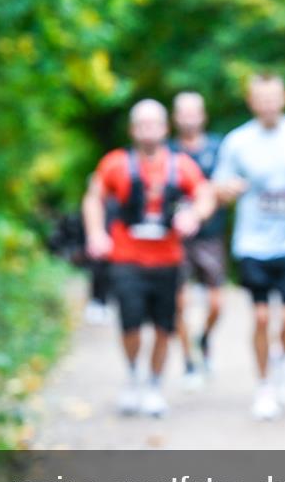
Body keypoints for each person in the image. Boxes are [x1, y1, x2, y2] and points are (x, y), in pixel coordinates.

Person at [83, 99, 215, 417]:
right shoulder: (115, 163)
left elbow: (205, 194)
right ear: (132, 130)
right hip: (126, 258)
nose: (148, 130)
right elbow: (93, 198)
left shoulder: (180, 165)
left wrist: (194, 216)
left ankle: (154, 385)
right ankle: (132, 377)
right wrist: (96, 234)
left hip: (168, 260)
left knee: (163, 328)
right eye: (141, 124)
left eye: (154, 124)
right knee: (130, 325)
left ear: (164, 127)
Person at [214, 73, 285, 421]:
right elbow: (218, 187)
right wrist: (227, 189)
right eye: (260, 98)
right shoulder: (237, 141)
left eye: (272, 97)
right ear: (251, 101)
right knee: (262, 317)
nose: (267, 104)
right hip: (254, 241)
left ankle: (280, 361)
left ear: (283, 98)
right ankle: (265, 386)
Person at [169, 91, 226, 386]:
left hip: (211, 235)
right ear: (175, 117)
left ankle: (203, 340)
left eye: (194, 113)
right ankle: (189, 362)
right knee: (178, 303)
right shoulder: (167, 152)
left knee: (217, 303)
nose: (189, 119)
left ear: (202, 116)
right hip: (175, 239)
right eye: (183, 113)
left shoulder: (219, 148)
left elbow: (228, 185)